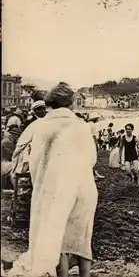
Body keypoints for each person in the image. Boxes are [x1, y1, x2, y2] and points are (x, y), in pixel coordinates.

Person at [8, 82, 98, 277]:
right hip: (84, 188)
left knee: (59, 238)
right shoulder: (81, 125)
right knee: (83, 236)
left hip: (55, 190)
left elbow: (36, 162)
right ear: (70, 104)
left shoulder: (42, 126)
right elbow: (91, 159)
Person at [87, 112, 105, 180]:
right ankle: (93, 174)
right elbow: (94, 136)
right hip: (91, 142)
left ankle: (94, 173)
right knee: (93, 158)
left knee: (89, 158)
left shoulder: (87, 124)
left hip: (87, 142)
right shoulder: (92, 125)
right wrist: (96, 145)